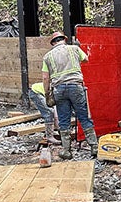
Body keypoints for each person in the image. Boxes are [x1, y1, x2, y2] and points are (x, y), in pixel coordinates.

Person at [42, 31, 98, 159]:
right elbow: (86, 59)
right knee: (84, 117)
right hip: (75, 87)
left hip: (59, 90)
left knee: (63, 120)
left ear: (53, 43)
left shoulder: (47, 57)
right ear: (64, 40)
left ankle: (67, 151)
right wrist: (78, 47)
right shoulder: (74, 49)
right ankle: (94, 147)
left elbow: (45, 78)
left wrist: (47, 94)